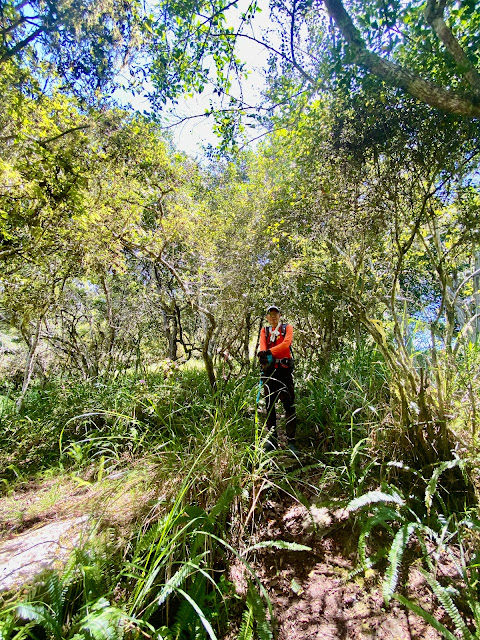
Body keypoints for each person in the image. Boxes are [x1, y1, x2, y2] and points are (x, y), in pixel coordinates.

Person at [257, 305, 297, 453]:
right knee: (269, 406)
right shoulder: (265, 331)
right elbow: (262, 346)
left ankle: (291, 441)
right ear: (267, 317)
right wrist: (263, 354)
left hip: (284, 372)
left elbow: (286, 344)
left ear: (280, 315)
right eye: (270, 315)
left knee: (289, 406)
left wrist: (269, 352)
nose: (273, 317)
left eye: (276, 314)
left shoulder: (287, 329)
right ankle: (272, 440)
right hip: (269, 372)